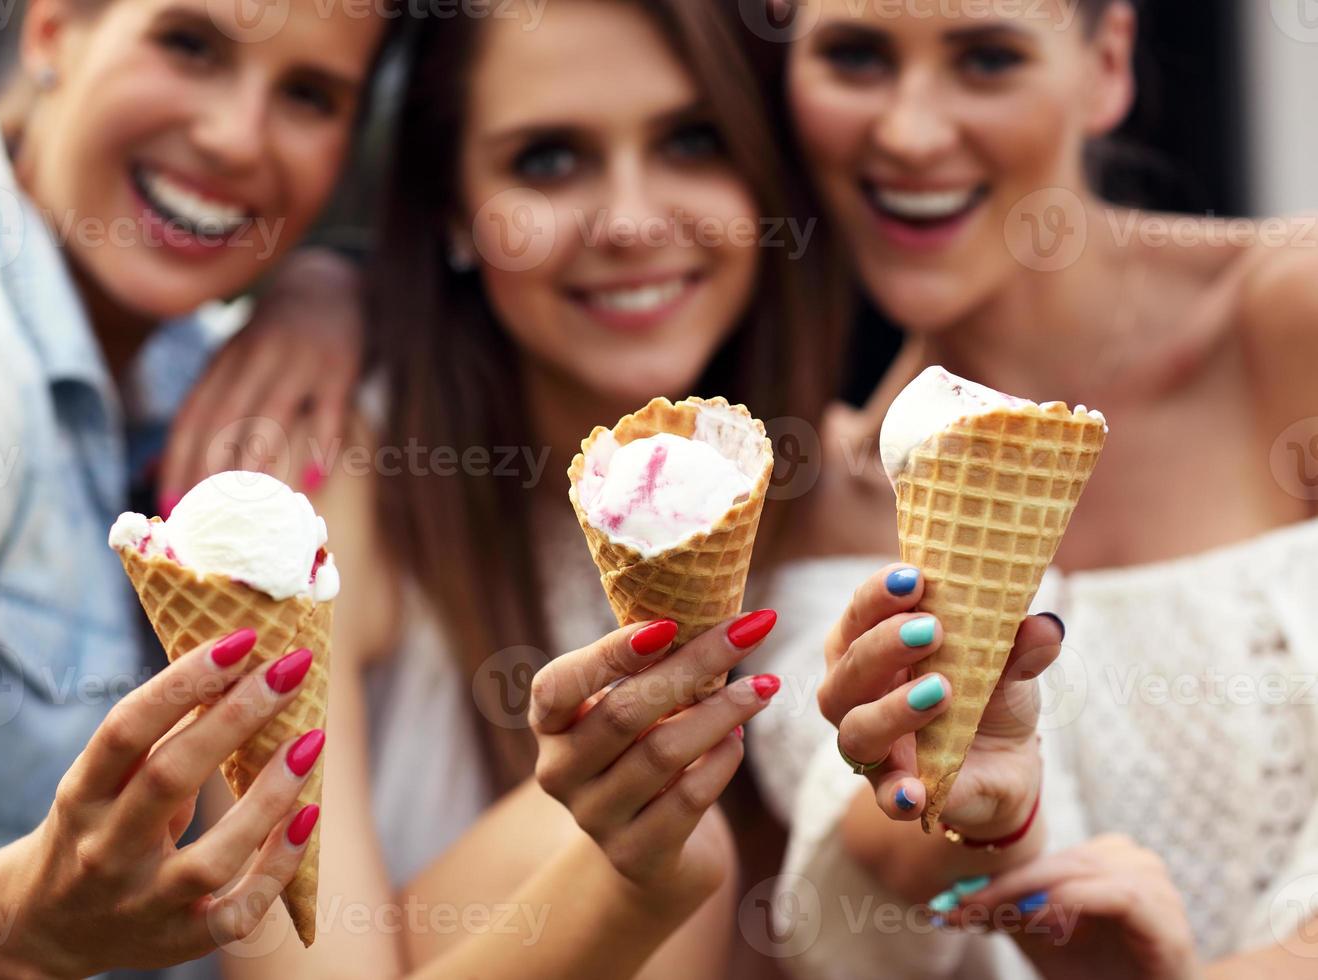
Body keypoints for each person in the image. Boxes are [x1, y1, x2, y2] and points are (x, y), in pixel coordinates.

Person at [193, 0, 840, 974]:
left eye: (693, 141)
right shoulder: (331, 478)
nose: (629, 219)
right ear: (453, 205)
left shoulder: (840, 484)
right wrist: (635, 885)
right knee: (616, 826)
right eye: (546, 159)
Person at [746, 0, 1318, 976]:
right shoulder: (806, 500)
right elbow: (878, 887)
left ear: (1107, 62)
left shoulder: (1291, 316)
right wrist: (974, 811)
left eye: (988, 58)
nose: (911, 130)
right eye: (855, 56)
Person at [0, 0, 389, 971]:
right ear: (53, 29)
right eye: (189, 43)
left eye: (310, 94)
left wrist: (331, 287)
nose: (235, 136)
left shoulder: (198, 352)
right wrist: (13, 917)